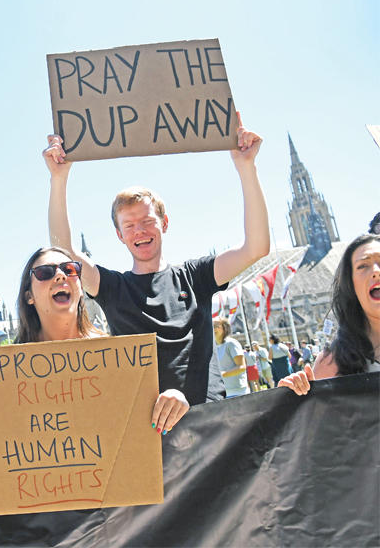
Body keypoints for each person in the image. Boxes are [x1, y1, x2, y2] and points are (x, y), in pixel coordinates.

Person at [44, 112, 269, 412]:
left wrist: (246, 167)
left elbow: (256, 248)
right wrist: (58, 179)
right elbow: (64, 254)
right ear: (119, 235)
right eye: (129, 225)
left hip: (205, 421)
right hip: (144, 431)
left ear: (164, 223)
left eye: (147, 221)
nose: (139, 230)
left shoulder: (196, 276)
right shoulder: (114, 288)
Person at [0, 247, 191, 477]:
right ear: (29, 296)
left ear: (81, 287)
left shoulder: (118, 359)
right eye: (45, 273)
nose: (60, 276)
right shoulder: (4, 372)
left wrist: (173, 402)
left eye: (70, 269)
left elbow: (145, 428)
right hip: (40, 514)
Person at [280, 234, 380, 395]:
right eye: (363, 266)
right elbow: (313, 416)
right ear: (351, 286)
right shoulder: (332, 361)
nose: (375, 271)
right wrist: (292, 397)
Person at [213, 317, 249, 397]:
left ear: (224, 328)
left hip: (238, 392)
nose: (213, 328)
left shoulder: (231, 344)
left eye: (216, 326)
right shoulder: (213, 347)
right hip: (222, 392)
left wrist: (222, 374)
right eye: (211, 326)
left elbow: (242, 367)